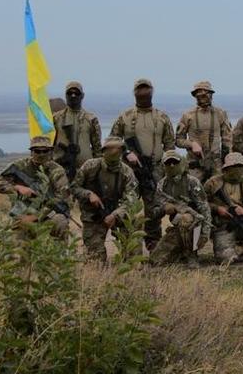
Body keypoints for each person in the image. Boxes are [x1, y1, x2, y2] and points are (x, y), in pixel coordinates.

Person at [110, 78, 175, 251]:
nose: (143, 92)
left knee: (153, 209)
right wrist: (126, 153)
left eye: (146, 89)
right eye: (140, 89)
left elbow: (170, 144)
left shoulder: (162, 117)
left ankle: (153, 245)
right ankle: (128, 247)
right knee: (128, 206)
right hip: (130, 171)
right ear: (135, 92)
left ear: (152, 91)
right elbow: (112, 140)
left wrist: (167, 167)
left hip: (154, 169)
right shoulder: (125, 117)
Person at [71, 136, 141, 262]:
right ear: (104, 151)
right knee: (95, 260)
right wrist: (88, 194)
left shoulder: (127, 172)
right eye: (111, 148)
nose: (115, 152)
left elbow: (131, 199)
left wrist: (115, 215)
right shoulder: (90, 166)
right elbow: (74, 188)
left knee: (134, 223)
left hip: (117, 213)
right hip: (94, 215)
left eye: (118, 149)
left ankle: (131, 262)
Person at [0, 136, 72, 239]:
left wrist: (35, 216)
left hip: (49, 213)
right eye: (37, 151)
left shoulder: (57, 170)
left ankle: (62, 254)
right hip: (23, 211)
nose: (41, 154)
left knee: (60, 221)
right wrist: (16, 187)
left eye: (45, 151)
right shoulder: (19, 166)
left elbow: (65, 200)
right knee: (18, 245)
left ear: (51, 151)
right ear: (31, 152)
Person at [149, 150, 212, 267]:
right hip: (176, 225)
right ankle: (179, 252)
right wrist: (165, 208)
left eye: (175, 162)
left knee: (185, 218)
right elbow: (154, 212)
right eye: (168, 163)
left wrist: (205, 233)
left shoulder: (192, 182)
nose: (172, 165)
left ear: (180, 163)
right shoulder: (162, 185)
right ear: (164, 165)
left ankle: (191, 254)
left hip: (195, 224)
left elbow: (204, 208)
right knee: (155, 260)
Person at [175, 81, 232, 182]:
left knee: (219, 193)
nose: (203, 95)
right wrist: (191, 144)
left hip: (216, 164)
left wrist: (227, 160)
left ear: (211, 94)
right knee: (193, 192)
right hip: (195, 164)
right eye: (199, 93)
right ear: (195, 95)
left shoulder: (220, 114)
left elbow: (227, 140)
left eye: (205, 93)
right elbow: (178, 140)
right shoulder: (188, 115)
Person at [52, 81, 102, 179]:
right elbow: (49, 144)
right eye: (69, 93)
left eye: (76, 93)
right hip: (61, 169)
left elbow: (97, 147)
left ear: (82, 96)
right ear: (65, 96)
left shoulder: (91, 119)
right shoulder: (56, 118)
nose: (73, 96)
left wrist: (98, 169)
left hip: (85, 171)